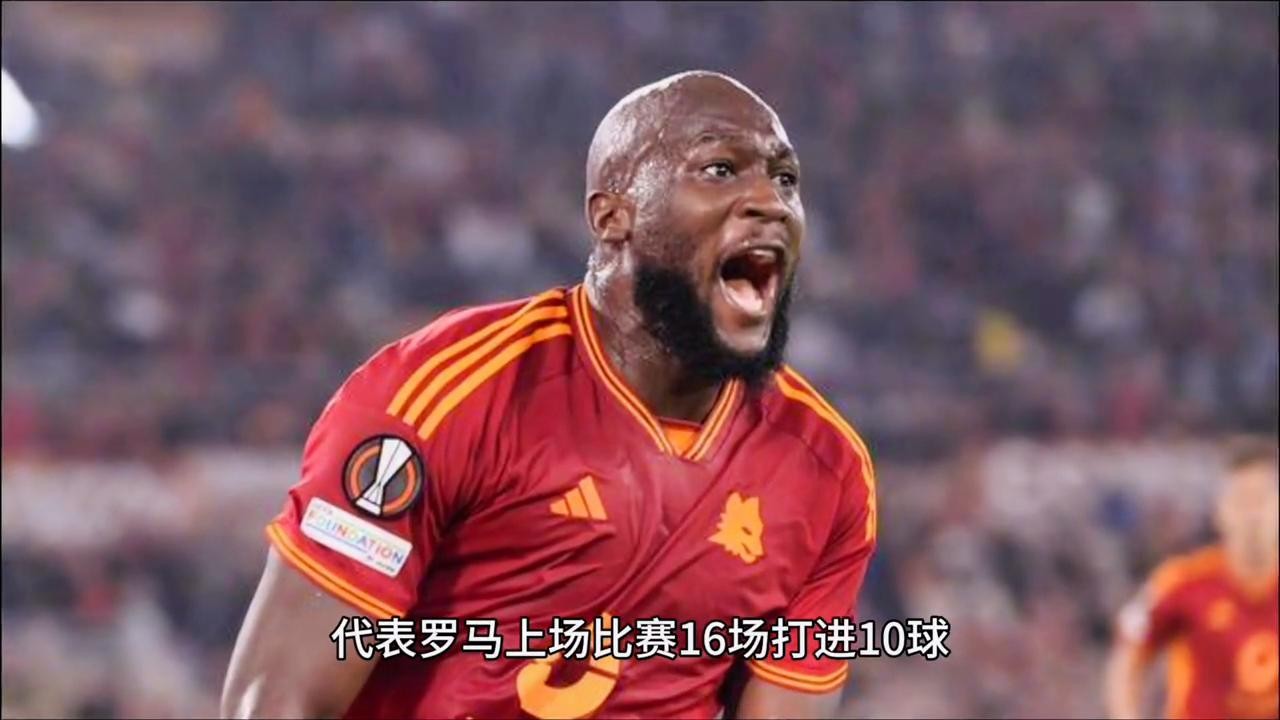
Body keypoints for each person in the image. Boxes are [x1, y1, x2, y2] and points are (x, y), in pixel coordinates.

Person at [221, 70, 876, 719]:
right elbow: (276, 700)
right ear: (613, 216)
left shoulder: (827, 470)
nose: (769, 202)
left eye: (785, 179)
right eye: (720, 170)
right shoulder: (446, 395)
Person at [1105, 438, 1279, 720]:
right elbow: (1128, 653)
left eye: (1261, 499)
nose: (1253, 515)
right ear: (1220, 511)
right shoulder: (1182, 582)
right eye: (1242, 500)